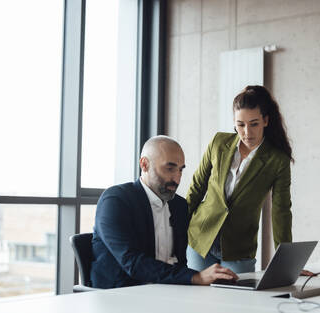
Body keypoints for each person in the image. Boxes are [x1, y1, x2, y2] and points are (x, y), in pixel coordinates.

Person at [90, 135, 238, 288]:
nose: (177, 178)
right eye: (170, 168)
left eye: (180, 170)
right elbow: (132, 263)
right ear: (144, 164)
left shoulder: (179, 206)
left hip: (168, 291)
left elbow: (180, 262)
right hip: (121, 295)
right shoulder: (116, 201)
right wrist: (195, 276)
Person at [186, 85, 293, 274]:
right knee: (195, 300)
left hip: (239, 249)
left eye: (254, 124)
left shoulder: (277, 160)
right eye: (240, 124)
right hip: (200, 240)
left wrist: (287, 262)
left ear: (265, 121)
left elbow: (281, 211)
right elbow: (197, 186)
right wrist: (178, 231)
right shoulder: (219, 142)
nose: (247, 132)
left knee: (236, 300)